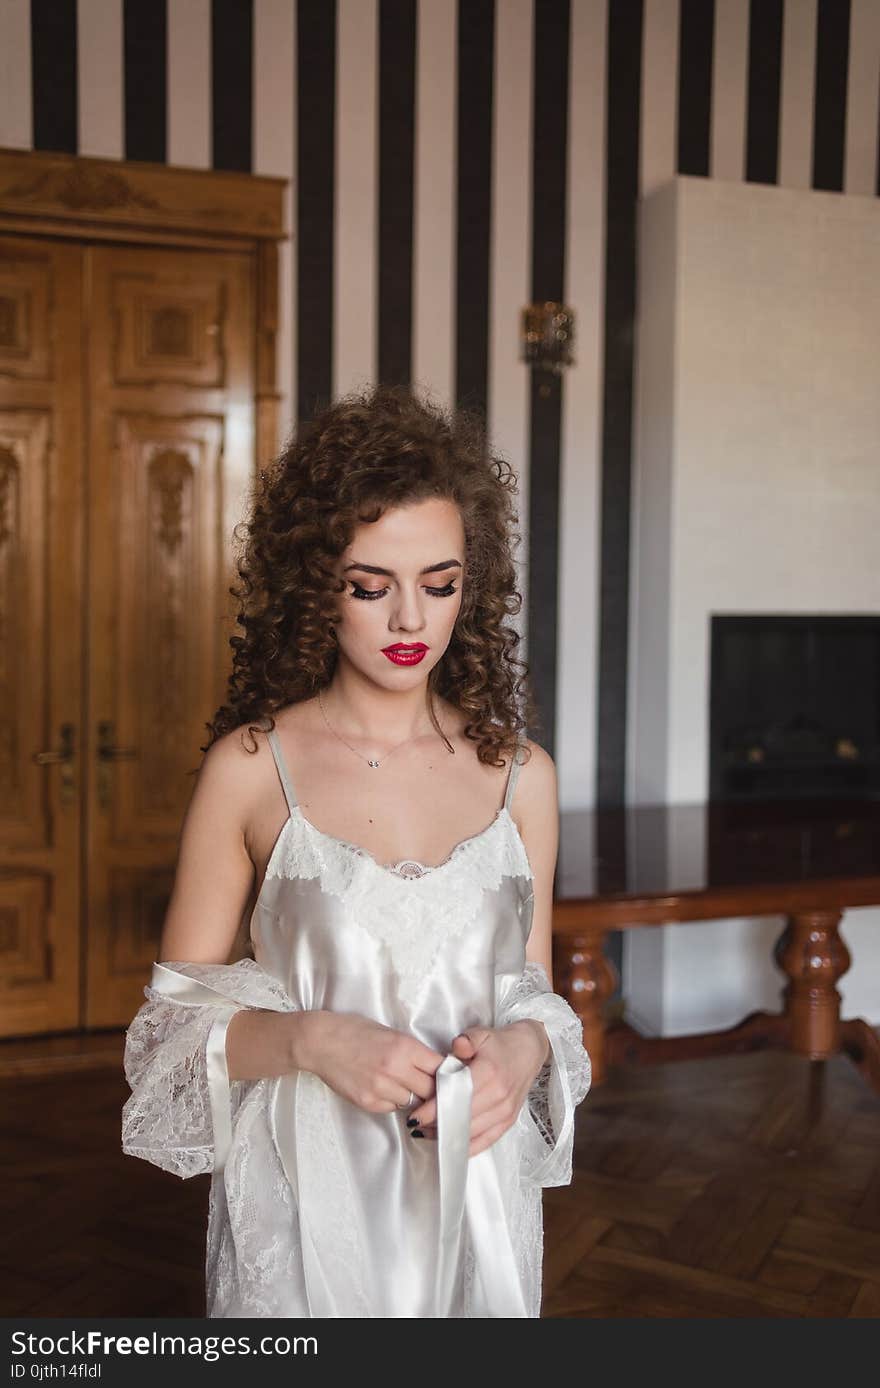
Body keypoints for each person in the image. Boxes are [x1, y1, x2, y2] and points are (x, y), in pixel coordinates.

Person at [121, 382, 591, 1318]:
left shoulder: (521, 776)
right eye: (372, 587)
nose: (411, 620)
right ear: (316, 585)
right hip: (306, 1206)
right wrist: (308, 1038)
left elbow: (539, 999)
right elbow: (165, 1041)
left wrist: (524, 1050)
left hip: (479, 1206)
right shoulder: (253, 771)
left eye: (441, 584)